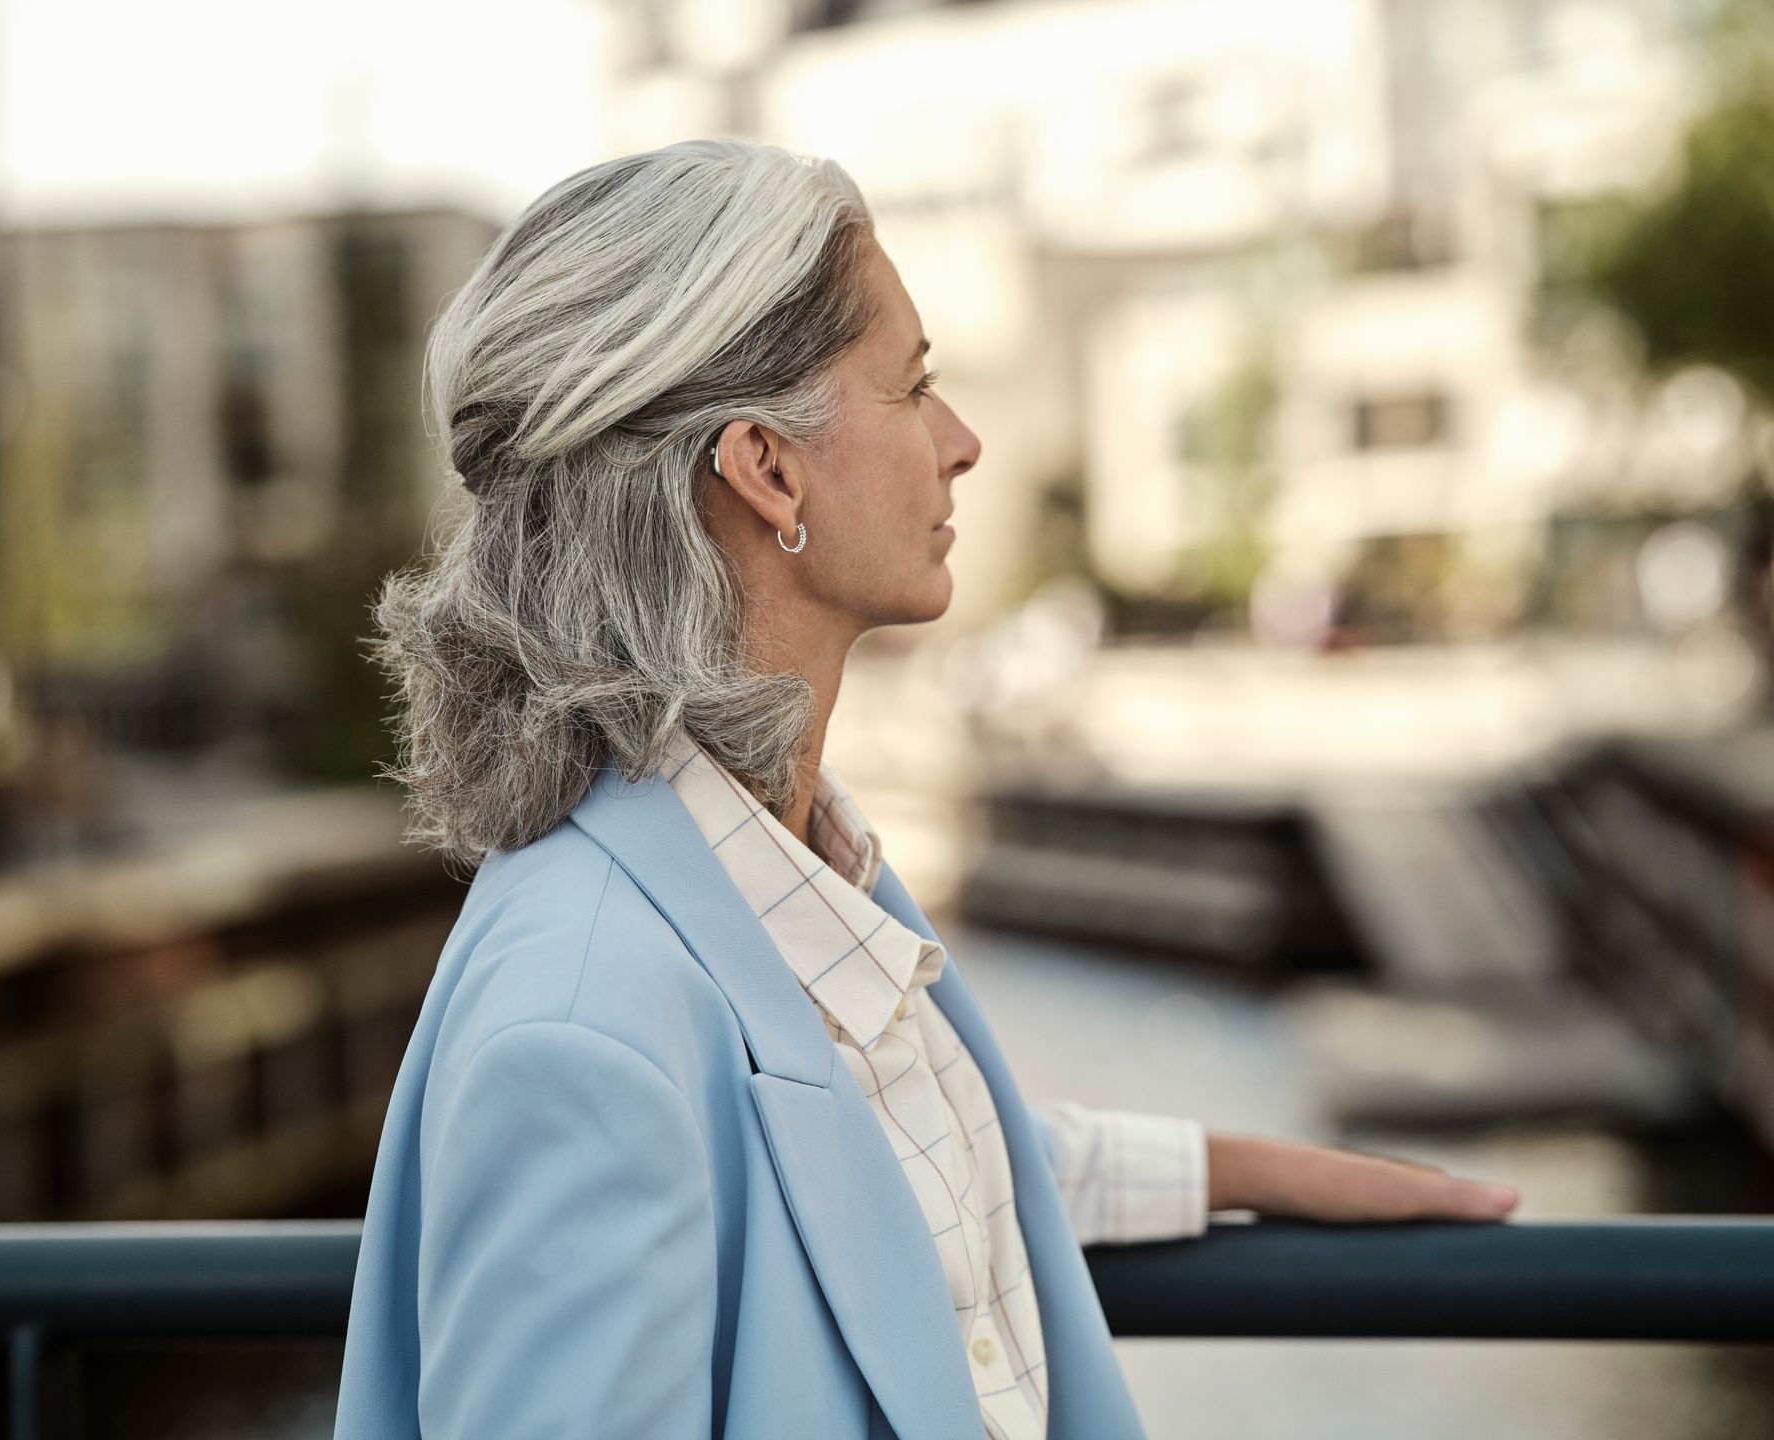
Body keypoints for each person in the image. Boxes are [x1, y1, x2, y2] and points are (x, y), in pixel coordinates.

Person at [331, 138, 1520, 1440]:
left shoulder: (779, 861)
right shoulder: (579, 1032)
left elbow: (858, 1160)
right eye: (913, 388)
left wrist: (1254, 1172)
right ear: (766, 469)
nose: (961, 443)